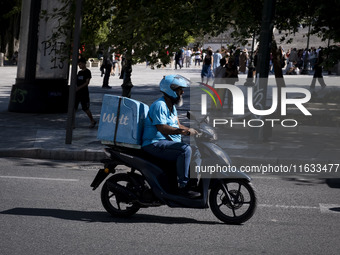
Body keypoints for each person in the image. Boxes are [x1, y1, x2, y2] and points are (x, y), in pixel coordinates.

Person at [142, 75, 200, 198]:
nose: (182, 92)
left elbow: (177, 125)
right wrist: (182, 132)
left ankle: (192, 183)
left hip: (165, 143)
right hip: (154, 143)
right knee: (185, 150)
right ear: (170, 90)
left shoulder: (172, 106)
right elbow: (162, 128)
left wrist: (193, 130)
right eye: (180, 89)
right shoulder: (159, 105)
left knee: (196, 151)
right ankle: (183, 186)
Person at [74, 58, 97, 128]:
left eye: (80, 64)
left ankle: (92, 120)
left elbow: (87, 82)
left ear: (84, 64)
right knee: (74, 108)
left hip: (84, 92)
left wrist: (79, 88)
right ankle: (72, 123)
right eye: (78, 65)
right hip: (77, 93)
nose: (79, 66)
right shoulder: (79, 72)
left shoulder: (87, 72)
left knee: (85, 108)